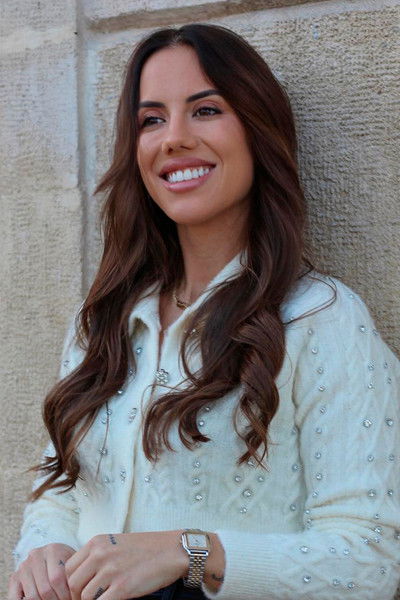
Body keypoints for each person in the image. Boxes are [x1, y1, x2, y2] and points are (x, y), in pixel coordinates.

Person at [8, 23, 400, 600]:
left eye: (206, 110)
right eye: (151, 119)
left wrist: (189, 552)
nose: (174, 138)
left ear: (258, 131)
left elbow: (370, 563)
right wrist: (44, 551)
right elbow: (61, 494)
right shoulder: (103, 321)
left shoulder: (321, 320)